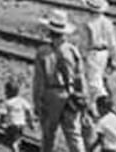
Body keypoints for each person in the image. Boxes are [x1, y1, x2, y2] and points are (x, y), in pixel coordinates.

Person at [33, 9, 87, 152]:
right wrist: (82, 97)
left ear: (50, 31)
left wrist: (37, 102)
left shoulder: (42, 52)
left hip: (51, 94)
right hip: (71, 94)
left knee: (48, 134)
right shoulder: (72, 50)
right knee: (73, 133)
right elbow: (80, 76)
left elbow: (39, 81)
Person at [78, 0, 116, 108]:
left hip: (93, 53)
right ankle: (102, 102)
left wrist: (82, 55)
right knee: (100, 78)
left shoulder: (86, 23)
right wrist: (115, 57)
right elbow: (113, 42)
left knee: (94, 82)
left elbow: (84, 43)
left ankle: (102, 104)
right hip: (104, 53)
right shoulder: (107, 22)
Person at [0, 77, 36, 152]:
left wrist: (2, 122)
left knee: (10, 141)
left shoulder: (7, 102)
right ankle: (16, 148)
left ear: (8, 92)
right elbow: (28, 111)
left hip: (11, 124)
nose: (5, 93)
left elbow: (3, 113)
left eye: (6, 91)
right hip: (21, 124)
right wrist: (30, 123)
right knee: (17, 139)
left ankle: (15, 148)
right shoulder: (22, 100)